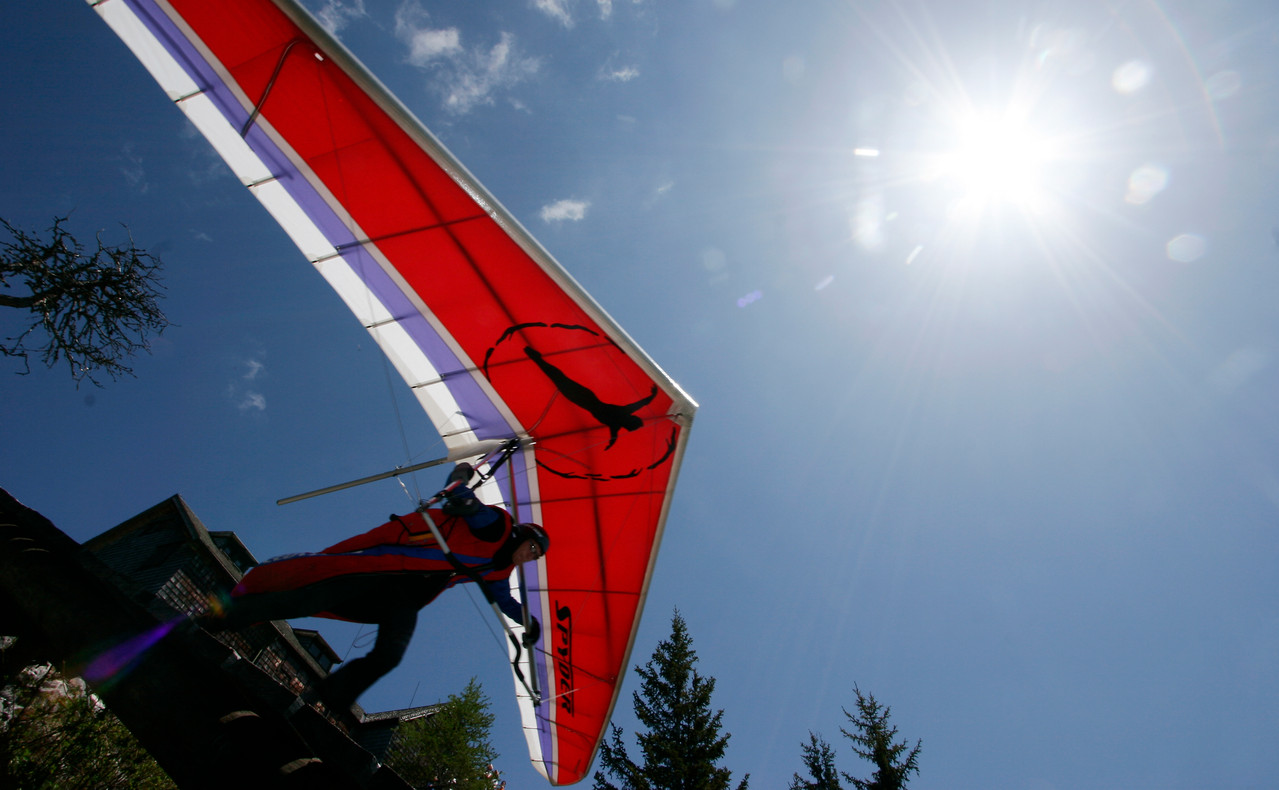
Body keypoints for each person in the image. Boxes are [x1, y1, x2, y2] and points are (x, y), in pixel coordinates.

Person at [202, 463, 548, 712]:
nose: (531, 558)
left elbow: (505, 600)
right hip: (384, 572)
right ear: (523, 536)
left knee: (390, 655)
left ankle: (327, 698)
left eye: (536, 557)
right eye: (532, 549)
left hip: (408, 598)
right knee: (302, 600)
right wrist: (461, 486)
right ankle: (217, 619)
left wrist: (528, 623)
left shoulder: (499, 570)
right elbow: (467, 503)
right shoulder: (498, 527)